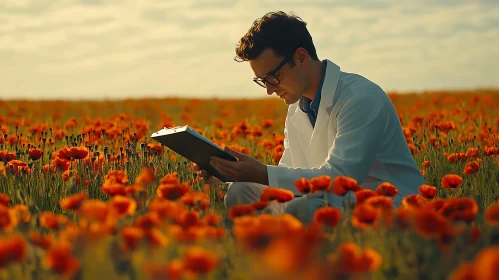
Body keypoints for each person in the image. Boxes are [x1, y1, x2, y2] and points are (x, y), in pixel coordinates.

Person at [193, 11, 426, 224]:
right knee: (240, 190)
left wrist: (262, 172)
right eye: (262, 81)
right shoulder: (298, 106)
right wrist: (230, 173)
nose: (269, 90)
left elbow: (341, 178)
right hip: (331, 199)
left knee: (305, 208)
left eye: (273, 76)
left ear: (301, 57)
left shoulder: (360, 98)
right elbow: (290, 171)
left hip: (389, 203)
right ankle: (259, 260)